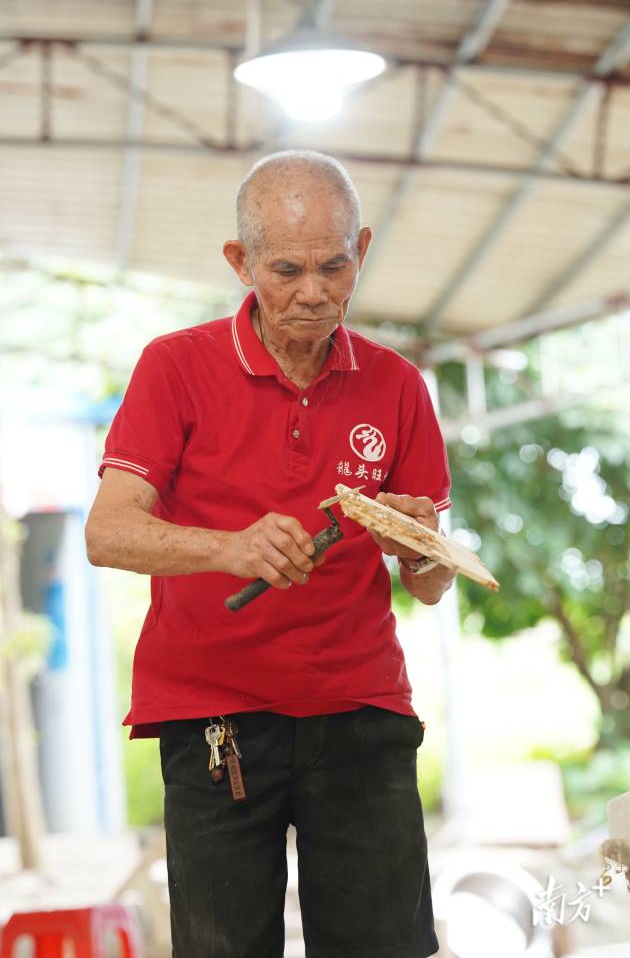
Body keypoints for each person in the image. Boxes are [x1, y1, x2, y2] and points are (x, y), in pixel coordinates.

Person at [85, 149, 455, 958]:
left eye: (334, 265)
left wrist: (418, 544)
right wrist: (231, 547)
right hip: (213, 717)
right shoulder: (174, 367)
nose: (314, 293)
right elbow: (106, 533)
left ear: (360, 250)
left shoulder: (397, 386)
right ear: (241, 261)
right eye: (287, 269)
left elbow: (427, 586)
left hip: (360, 711)